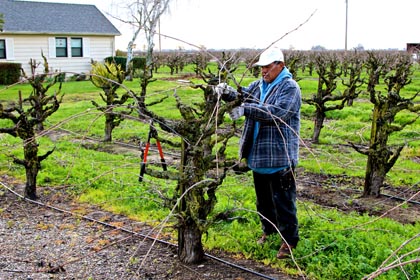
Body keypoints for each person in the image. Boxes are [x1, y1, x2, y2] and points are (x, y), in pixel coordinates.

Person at [216, 47, 301, 259]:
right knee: (263, 201)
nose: (263, 71)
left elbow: (279, 113)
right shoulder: (259, 85)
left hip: (279, 157)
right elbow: (243, 95)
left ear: (280, 65)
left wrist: (247, 109)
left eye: (267, 67)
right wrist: (227, 93)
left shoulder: (289, 87)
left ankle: (289, 242)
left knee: (283, 202)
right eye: (261, 67)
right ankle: (269, 231)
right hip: (258, 156)